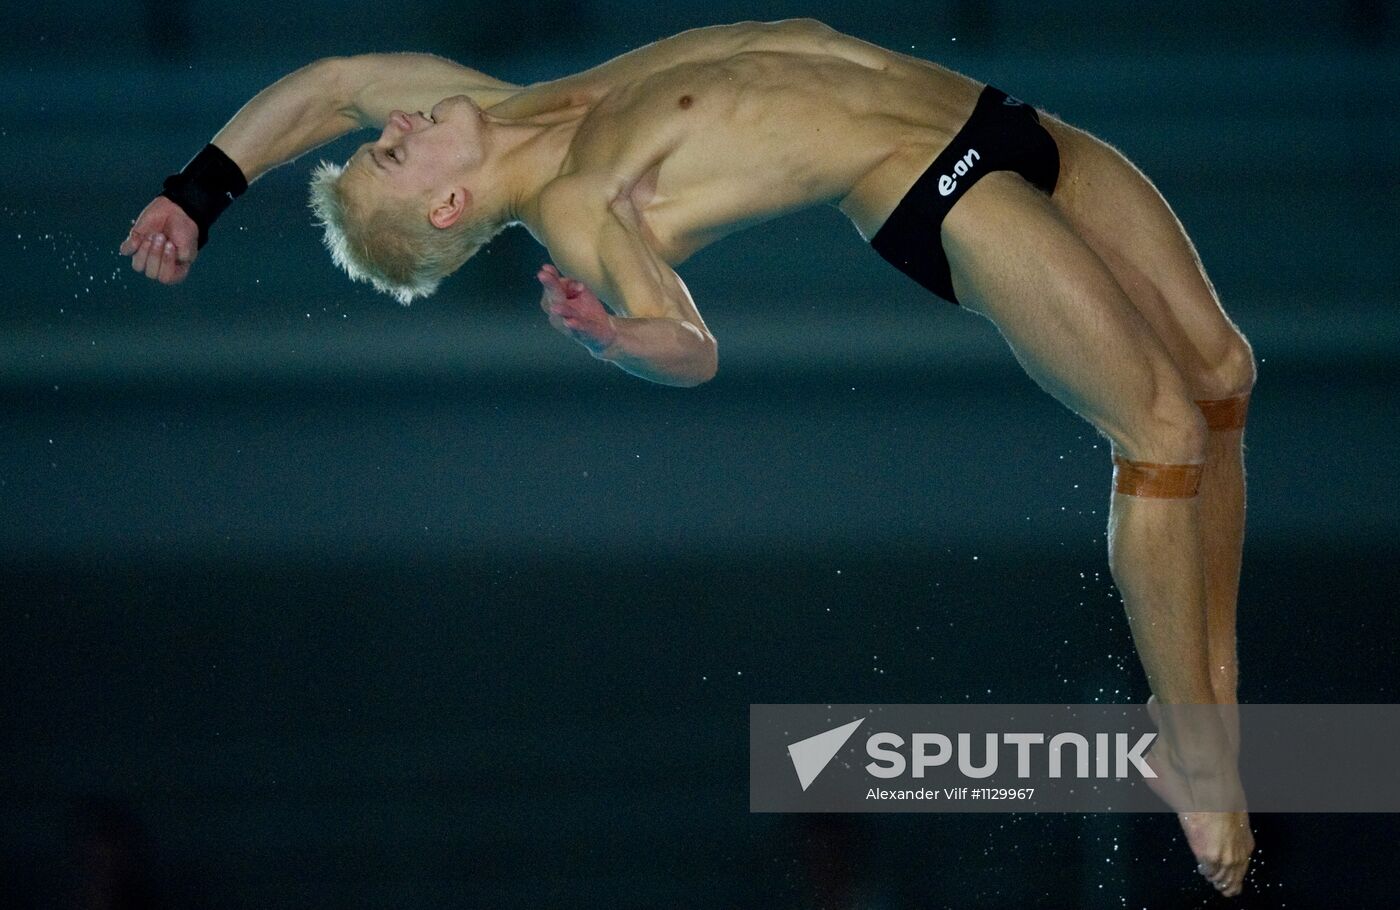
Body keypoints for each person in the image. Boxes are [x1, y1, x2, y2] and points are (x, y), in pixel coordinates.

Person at [119, 18, 1257, 896]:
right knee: (1155, 431)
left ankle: (1212, 706)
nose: (397, 125)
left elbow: (326, 87)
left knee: (1219, 379)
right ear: (451, 201)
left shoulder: (511, 108)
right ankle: (1190, 748)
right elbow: (690, 345)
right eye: (392, 155)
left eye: (390, 135)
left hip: (993, 118)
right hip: (940, 191)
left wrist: (198, 191)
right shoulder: (575, 202)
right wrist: (619, 339)